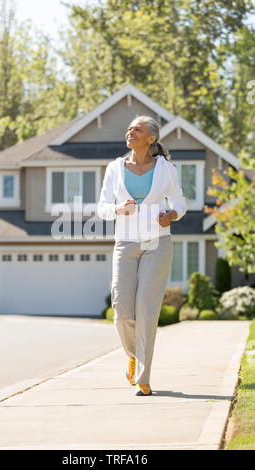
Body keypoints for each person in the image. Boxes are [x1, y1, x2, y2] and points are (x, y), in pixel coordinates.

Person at [97, 115, 187, 396]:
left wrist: (170, 214)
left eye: (137, 129)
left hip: (157, 243)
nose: (130, 132)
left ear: (151, 138)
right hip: (125, 243)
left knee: (147, 310)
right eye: (129, 129)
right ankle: (133, 355)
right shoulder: (115, 168)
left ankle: (144, 379)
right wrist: (118, 210)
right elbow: (102, 208)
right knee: (122, 312)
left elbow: (180, 202)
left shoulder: (166, 169)